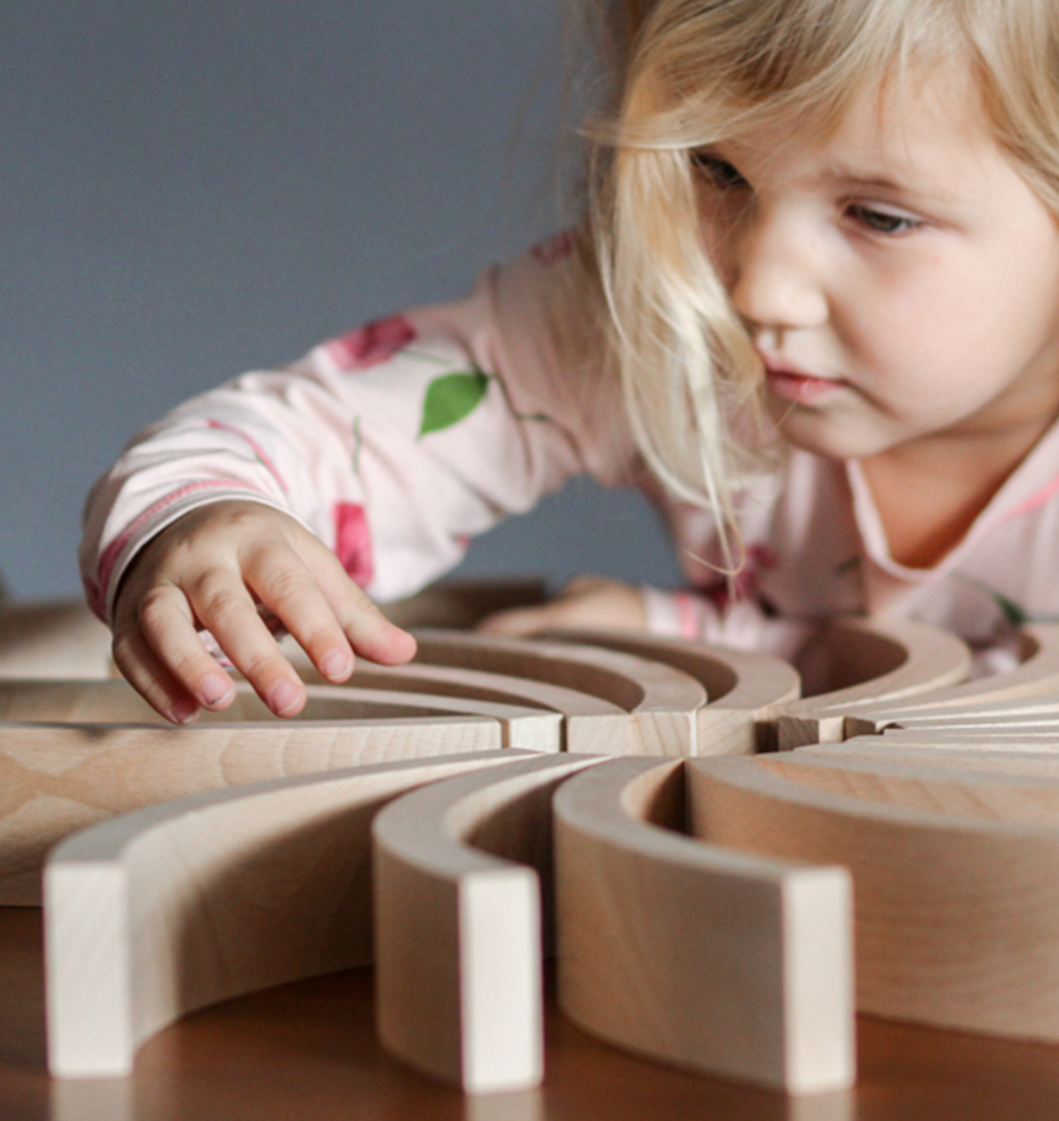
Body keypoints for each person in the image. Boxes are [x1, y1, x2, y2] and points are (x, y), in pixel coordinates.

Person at [81, 0, 1059, 724]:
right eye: (715, 171)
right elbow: (321, 438)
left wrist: (707, 644)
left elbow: (1008, 727)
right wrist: (204, 520)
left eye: (876, 215)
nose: (759, 290)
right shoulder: (665, 315)